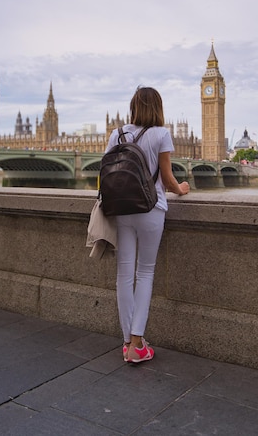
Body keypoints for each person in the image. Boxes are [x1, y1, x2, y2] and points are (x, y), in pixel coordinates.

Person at [105, 86, 190, 364]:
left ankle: (127, 342)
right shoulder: (161, 134)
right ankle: (138, 342)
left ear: (133, 107)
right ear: (158, 108)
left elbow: (106, 172)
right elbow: (167, 180)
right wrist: (182, 188)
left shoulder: (116, 134)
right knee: (146, 272)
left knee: (124, 275)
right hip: (151, 209)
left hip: (121, 208)